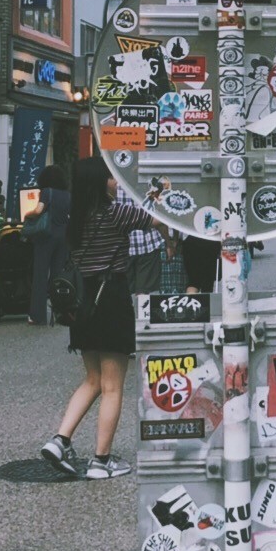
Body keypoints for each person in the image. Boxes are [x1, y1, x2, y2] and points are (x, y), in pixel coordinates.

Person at [40, 156, 167, 481]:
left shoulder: (75, 218)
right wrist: (162, 193)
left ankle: (60, 440)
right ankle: (101, 461)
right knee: (112, 387)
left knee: (93, 380)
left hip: (82, 304)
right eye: (111, 178)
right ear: (99, 182)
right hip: (110, 300)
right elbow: (156, 219)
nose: (116, 182)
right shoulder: (116, 212)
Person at [27, 163, 70, 326]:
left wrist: (27, 214)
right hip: (63, 238)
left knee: (40, 275)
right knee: (57, 276)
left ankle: (38, 316)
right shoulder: (67, 194)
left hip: (46, 237)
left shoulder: (47, 192)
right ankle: (59, 313)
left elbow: (38, 211)